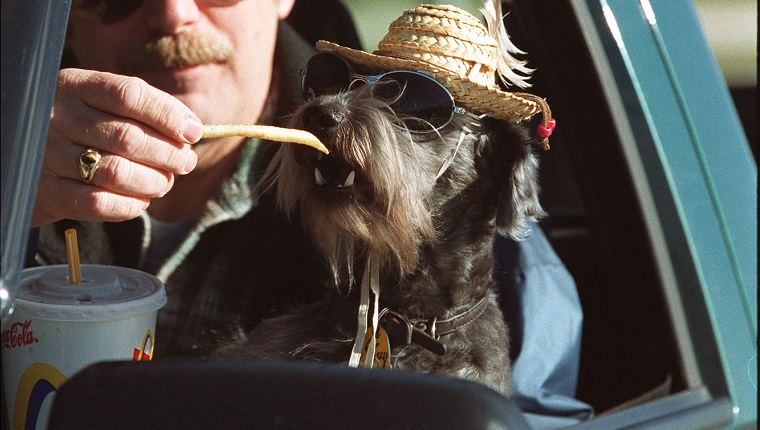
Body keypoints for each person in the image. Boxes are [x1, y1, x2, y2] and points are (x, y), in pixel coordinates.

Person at [28, 0, 592, 426]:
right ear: (62, 17)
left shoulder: (513, 275)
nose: (171, 14)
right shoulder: (14, 159)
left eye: (413, 103)